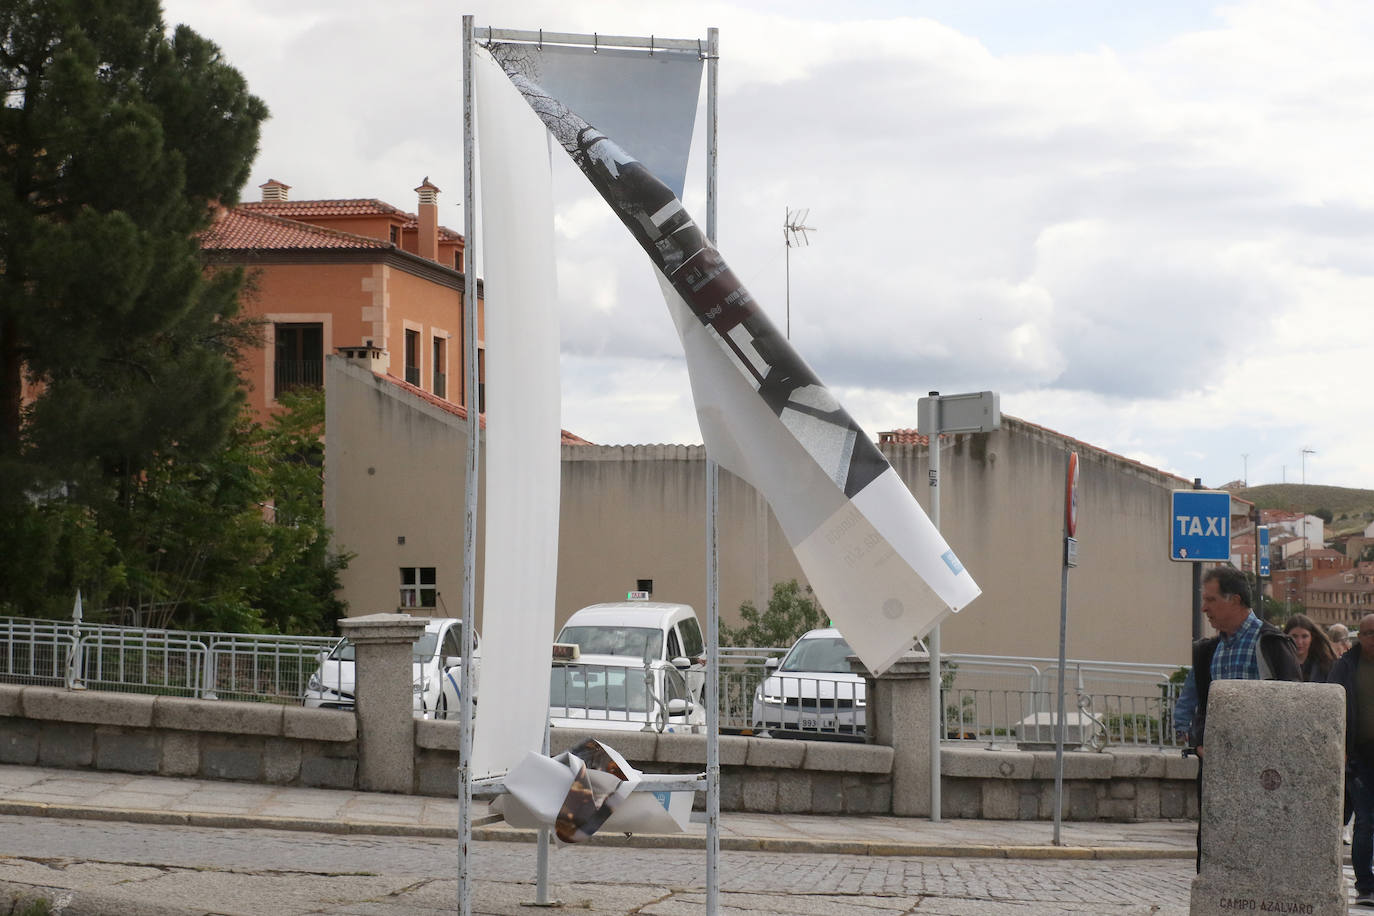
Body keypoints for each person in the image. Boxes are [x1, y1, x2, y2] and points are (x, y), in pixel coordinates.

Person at [1187, 566, 1301, 871]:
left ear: (1234, 599)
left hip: (1263, 771)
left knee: (1261, 853)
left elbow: (1295, 705)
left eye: (1210, 599)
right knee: (1214, 848)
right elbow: (1203, 705)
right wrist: (1199, 743)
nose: (1204, 608)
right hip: (1216, 767)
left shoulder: (1272, 643)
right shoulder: (1209, 650)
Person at [1328, 614, 1374, 906]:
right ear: (1360, 636)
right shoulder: (1345, 667)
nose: (1373, 638)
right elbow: (1332, 707)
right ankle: (1366, 884)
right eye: (1368, 633)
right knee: (1366, 819)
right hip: (1358, 755)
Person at [1284, 613, 1337, 682]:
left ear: (1312, 638)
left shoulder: (1326, 665)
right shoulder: (1278, 664)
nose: (1299, 642)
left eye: (1304, 636)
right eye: (1294, 636)